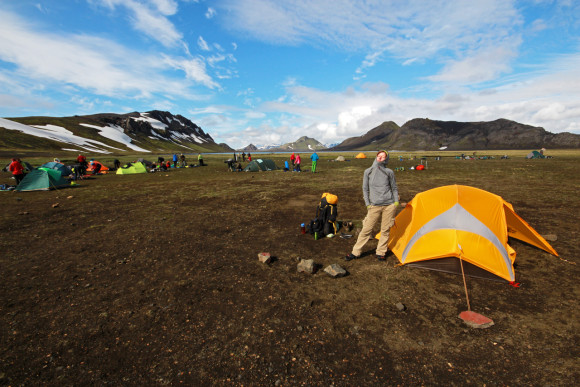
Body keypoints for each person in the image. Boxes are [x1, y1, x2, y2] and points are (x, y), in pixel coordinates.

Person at [345, 150, 399, 262]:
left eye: (383, 156)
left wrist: (395, 203)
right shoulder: (368, 171)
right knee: (366, 229)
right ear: (376, 157)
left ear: (386, 159)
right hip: (374, 206)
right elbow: (365, 188)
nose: (380, 158)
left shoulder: (389, 172)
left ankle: (381, 252)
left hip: (389, 205)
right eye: (379, 156)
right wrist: (368, 204)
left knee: (385, 230)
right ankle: (355, 252)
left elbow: (394, 188)